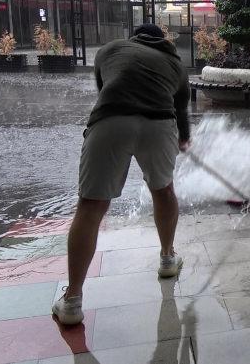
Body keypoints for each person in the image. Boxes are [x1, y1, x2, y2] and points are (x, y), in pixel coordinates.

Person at [52, 24, 191, 326]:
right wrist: (183, 139)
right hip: (159, 125)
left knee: (91, 206)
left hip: (111, 121)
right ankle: (168, 258)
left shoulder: (110, 50)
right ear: (163, 42)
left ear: (135, 38)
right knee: (163, 190)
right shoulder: (176, 65)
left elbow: (105, 91)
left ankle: (72, 299)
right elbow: (181, 110)